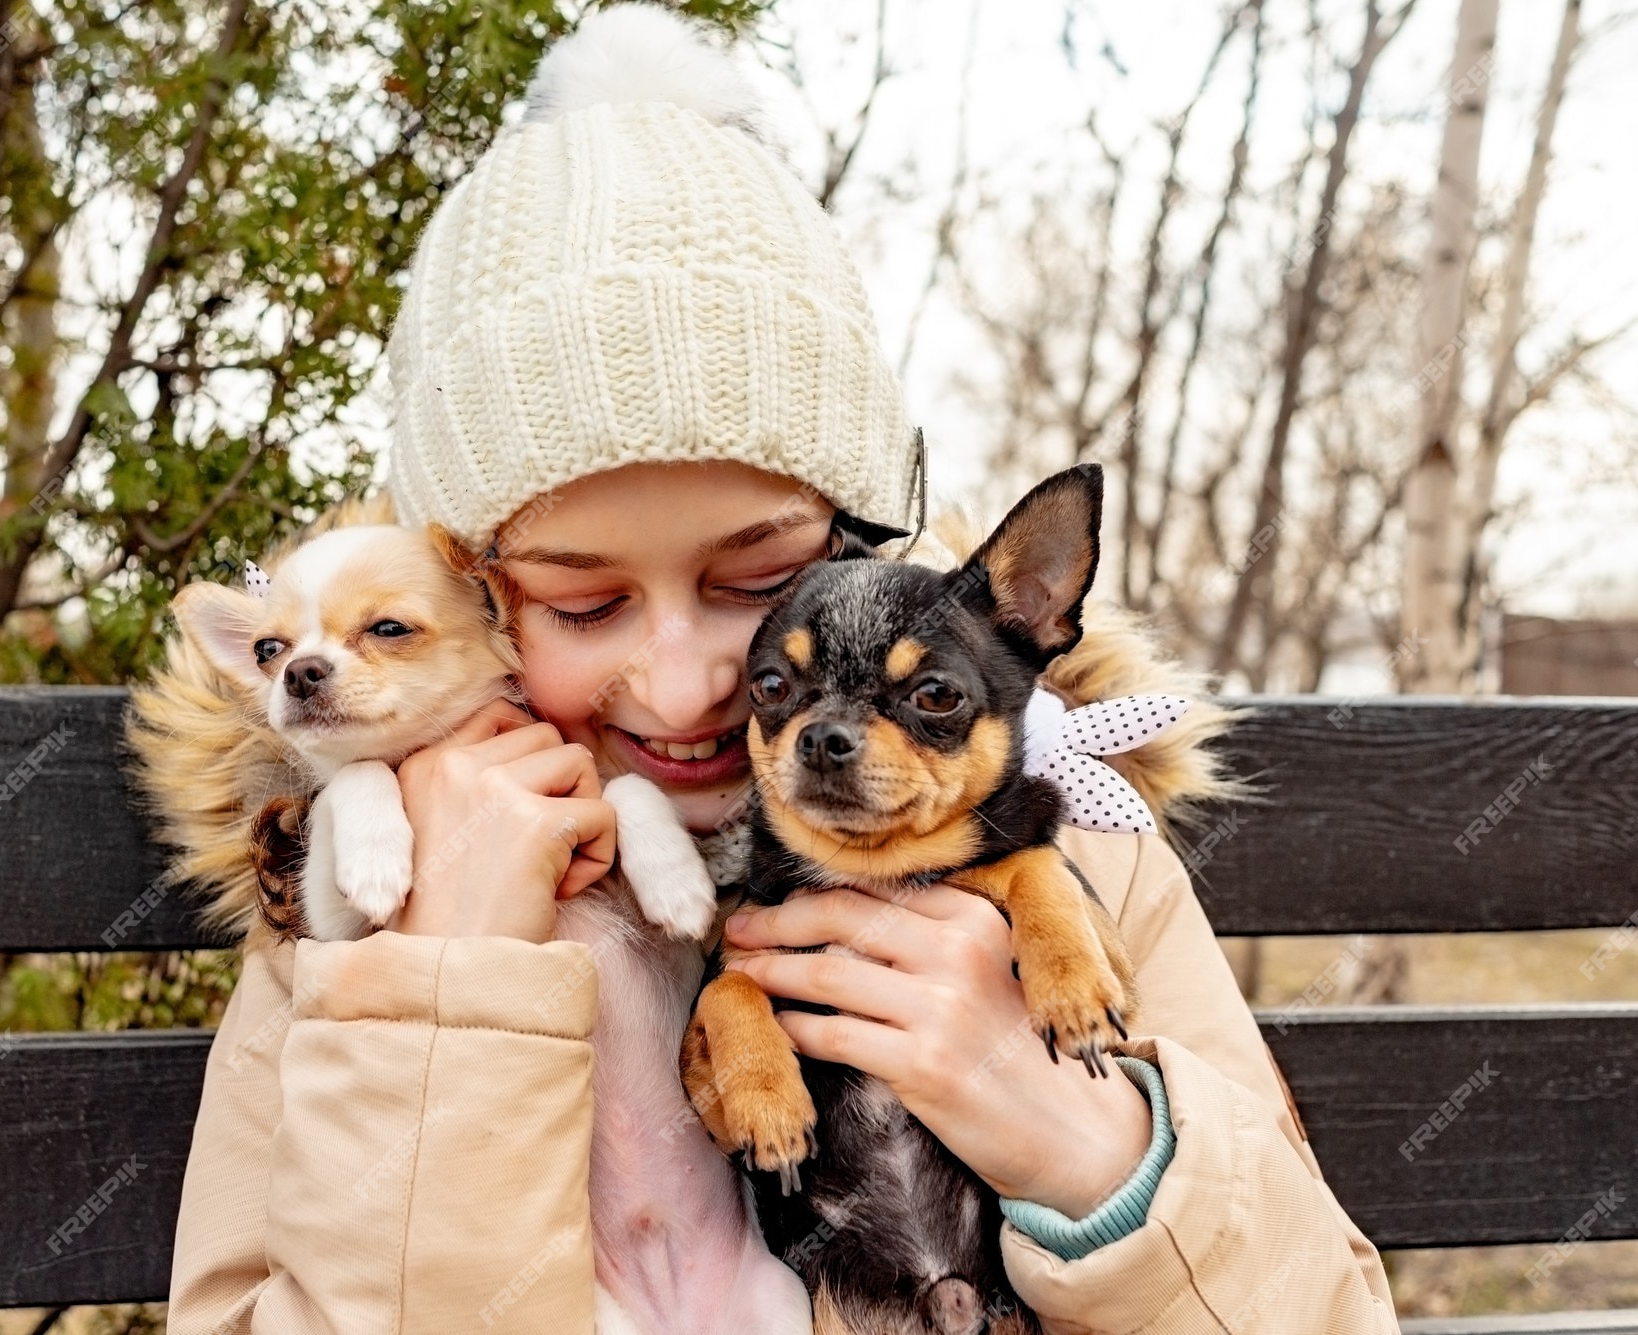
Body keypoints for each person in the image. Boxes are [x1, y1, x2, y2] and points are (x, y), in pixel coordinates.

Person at [166, 8, 1398, 1333]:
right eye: (585, 602)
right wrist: (452, 992)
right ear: (476, 603)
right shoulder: (364, 899)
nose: (693, 682)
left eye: (762, 586)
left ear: (867, 542)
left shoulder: (1076, 846)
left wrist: (1093, 1155)